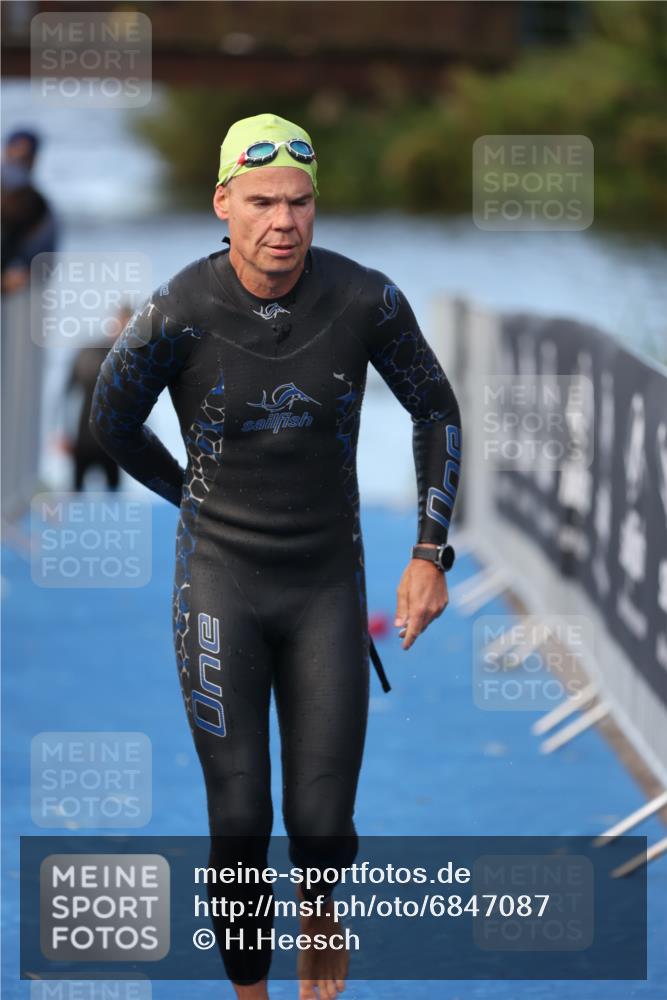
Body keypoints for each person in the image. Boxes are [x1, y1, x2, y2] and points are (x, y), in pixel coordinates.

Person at [89, 113, 462, 1000]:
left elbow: (435, 409)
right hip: (220, 582)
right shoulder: (179, 310)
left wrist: (428, 552)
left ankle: (322, 907)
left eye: (297, 202)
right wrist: (192, 496)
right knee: (242, 818)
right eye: (260, 201)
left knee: (322, 823)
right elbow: (109, 420)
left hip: (326, 582)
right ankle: (253, 994)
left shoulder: (365, 298)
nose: (282, 221)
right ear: (224, 202)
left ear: (314, 206)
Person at [64, 305, 132, 491]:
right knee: (76, 495)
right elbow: (67, 394)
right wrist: (63, 433)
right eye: (122, 323)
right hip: (84, 438)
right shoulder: (88, 352)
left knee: (114, 499)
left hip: (113, 442)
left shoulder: (133, 358)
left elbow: (141, 404)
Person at [1, 129, 57, 294]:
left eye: (24, 158)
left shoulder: (39, 207)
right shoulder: (39, 204)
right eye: (14, 155)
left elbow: (43, 263)